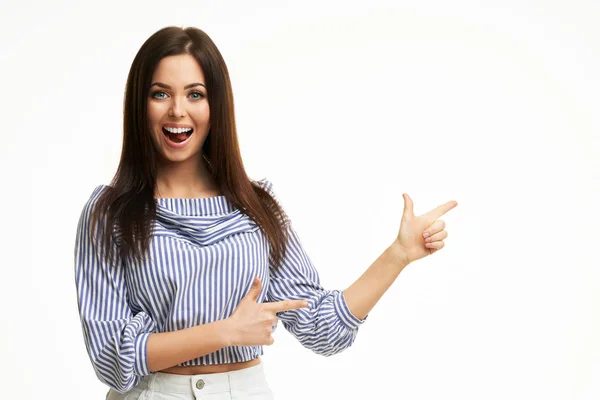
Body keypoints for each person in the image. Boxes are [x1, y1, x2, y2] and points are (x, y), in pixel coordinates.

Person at [73, 26, 458, 400]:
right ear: (139, 103)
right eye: (160, 94)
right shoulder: (110, 213)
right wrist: (225, 332)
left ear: (216, 105)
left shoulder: (257, 205)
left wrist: (398, 255)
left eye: (195, 94)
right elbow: (110, 358)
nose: (178, 111)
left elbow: (324, 329)